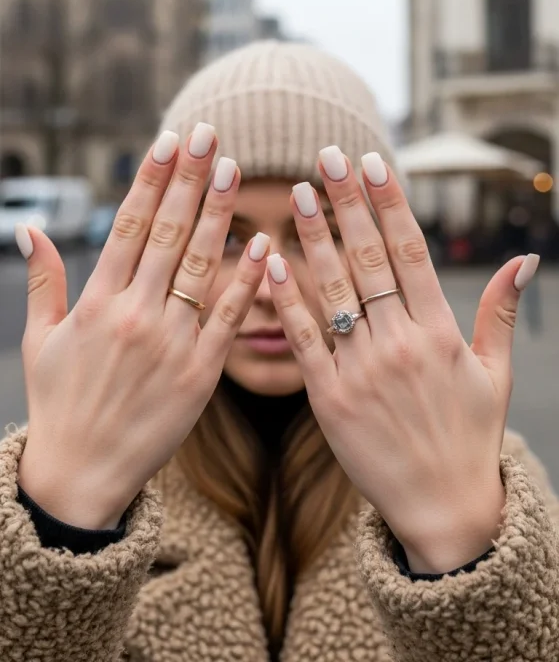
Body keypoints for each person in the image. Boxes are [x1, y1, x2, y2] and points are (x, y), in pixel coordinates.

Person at [0, 39, 557, 662]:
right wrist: (58, 517)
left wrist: (461, 547)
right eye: (228, 237)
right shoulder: (52, 472)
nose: (269, 283)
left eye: (323, 233)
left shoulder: (492, 476)